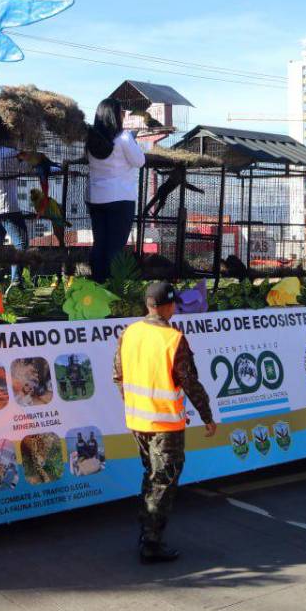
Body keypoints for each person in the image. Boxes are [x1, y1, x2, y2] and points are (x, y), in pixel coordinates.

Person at [113, 281, 216, 563]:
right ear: (169, 306)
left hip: (137, 420)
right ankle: (151, 542)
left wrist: (135, 404)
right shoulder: (173, 339)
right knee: (163, 482)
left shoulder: (129, 333)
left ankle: (146, 530)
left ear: (148, 305)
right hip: (165, 424)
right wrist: (207, 416)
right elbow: (189, 382)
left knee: (152, 475)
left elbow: (118, 376)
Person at [86, 98, 145, 282]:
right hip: (120, 198)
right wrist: (134, 141)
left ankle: (97, 284)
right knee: (115, 247)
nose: (123, 116)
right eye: (121, 113)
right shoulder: (124, 138)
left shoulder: (91, 139)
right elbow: (140, 161)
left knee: (100, 244)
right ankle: (112, 287)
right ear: (114, 116)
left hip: (96, 198)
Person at [0, 139, 29, 287]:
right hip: (7, 208)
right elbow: (28, 167)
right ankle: (15, 281)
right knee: (21, 243)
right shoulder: (12, 154)